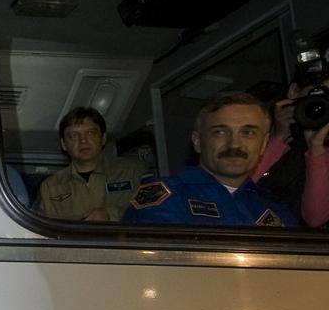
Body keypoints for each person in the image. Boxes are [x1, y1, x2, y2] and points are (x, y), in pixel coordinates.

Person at [125, 92, 295, 227]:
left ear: (264, 144)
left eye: (248, 133)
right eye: (220, 132)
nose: (235, 144)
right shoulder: (167, 198)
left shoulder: (275, 210)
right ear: (197, 142)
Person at [35, 107, 145, 221]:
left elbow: (151, 212)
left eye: (90, 133)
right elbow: (39, 230)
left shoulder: (131, 171)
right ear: (63, 144)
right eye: (74, 135)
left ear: (103, 138)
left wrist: (110, 215)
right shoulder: (50, 187)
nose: (83, 140)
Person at [253, 76, 329, 227]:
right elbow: (233, 189)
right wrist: (280, 137)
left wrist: (316, 149)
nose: (323, 102)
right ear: (294, 91)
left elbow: (315, 219)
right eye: (318, 92)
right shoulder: (253, 133)